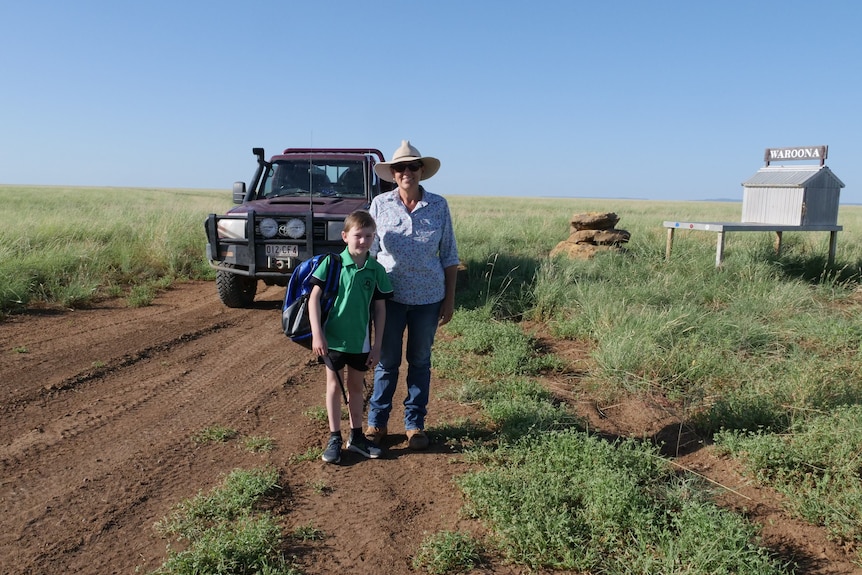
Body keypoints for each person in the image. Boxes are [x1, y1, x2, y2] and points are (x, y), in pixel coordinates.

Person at [364, 140, 459, 451]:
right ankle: (376, 422)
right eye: (401, 168)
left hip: (429, 298)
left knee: (419, 361)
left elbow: (449, 255)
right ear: (393, 174)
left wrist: (449, 300)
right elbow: (369, 252)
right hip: (388, 299)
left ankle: (414, 424)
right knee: (386, 362)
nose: (407, 172)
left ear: (422, 171)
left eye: (413, 166)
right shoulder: (380, 204)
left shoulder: (439, 206)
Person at [309, 210, 393, 464]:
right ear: (345, 236)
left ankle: (356, 437)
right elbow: (313, 298)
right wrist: (317, 334)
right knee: (334, 387)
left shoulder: (375, 269)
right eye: (358, 235)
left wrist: (377, 346)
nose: (363, 241)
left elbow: (380, 309)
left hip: (360, 341)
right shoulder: (331, 263)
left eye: (369, 236)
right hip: (332, 340)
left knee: (356, 387)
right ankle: (334, 437)